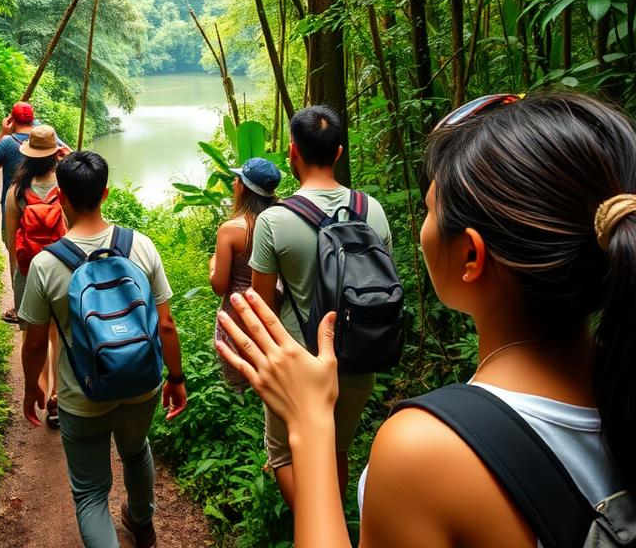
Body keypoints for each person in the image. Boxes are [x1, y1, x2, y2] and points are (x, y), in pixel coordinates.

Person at [218, 92, 636, 548]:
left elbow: (260, 300)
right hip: (362, 355)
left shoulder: (424, 451)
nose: (424, 227)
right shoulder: (621, 381)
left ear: (470, 256)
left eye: (431, 210)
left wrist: (310, 427)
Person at [18, 151, 188, 548]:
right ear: (106, 193)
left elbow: (35, 341)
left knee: (91, 494)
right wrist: (176, 379)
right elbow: (166, 323)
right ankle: (143, 524)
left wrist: (32, 388)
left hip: (83, 395)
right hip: (142, 383)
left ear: (61, 197)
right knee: (135, 451)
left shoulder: (46, 264)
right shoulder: (140, 246)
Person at [248, 105, 393, 508]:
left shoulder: (275, 221)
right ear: (340, 152)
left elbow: (262, 307)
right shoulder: (372, 210)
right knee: (337, 450)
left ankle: (318, 530)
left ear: (292, 152)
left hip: (299, 359)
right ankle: (335, 525)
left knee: (282, 455)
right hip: (357, 355)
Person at [0, 101, 69, 322]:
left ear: (12, 119)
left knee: (17, 255)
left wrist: (1, 133)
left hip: (15, 207)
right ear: (32, 118)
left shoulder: (7, 143)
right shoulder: (47, 139)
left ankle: (21, 308)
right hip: (52, 211)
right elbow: (71, 155)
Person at [4, 125, 66, 427]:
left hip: (29, 271)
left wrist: (17, 274)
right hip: (60, 271)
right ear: (55, 154)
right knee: (57, 335)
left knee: (33, 336)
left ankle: (39, 390)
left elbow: (9, 239)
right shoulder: (66, 188)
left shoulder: (16, 191)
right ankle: (56, 397)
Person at [210, 157, 281, 389]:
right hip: (277, 308)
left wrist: (212, 264)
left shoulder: (232, 229)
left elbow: (219, 285)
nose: (233, 182)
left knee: (242, 379)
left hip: (240, 314)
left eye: (237, 179)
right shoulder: (282, 220)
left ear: (244, 188)